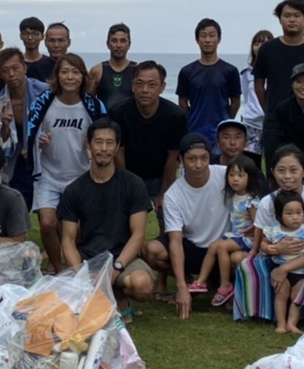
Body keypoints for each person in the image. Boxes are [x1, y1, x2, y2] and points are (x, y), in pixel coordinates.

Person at [57, 119, 155, 317]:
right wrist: (81, 275)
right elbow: (67, 239)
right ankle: (103, 298)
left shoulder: (133, 184)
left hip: (123, 259)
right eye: (98, 142)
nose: (103, 148)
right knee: (60, 298)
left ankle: (117, 294)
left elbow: (138, 234)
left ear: (117, 146)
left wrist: (116, 269)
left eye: (109, 143)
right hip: (89, 260)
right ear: (88, 145)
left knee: (142, 286)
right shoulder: (74, 190)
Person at [233, 145, 304, 326]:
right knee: (247, 265)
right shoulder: (267, 202)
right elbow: (261, 242)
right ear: (273, 172)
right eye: (281, 171)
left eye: (293, 170)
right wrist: (272, 249)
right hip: (276, 258)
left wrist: (285, 269)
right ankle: (265, 312)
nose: (287, 176)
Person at [26, 52, 107, 271]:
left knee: (78, 231)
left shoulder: (94, 106)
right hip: (49, 175)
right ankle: (58, 268)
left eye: (75, 72)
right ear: (57, 76)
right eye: (64, 72)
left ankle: (77, 267)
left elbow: (105, 138)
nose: (70, 77)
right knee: (47, 223)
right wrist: (38, 142)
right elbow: (30, 134)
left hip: (81, 176)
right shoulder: (43, 103)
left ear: (83, 76)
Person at [142, 134, 228, 318]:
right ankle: (191, 284)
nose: (198, 165)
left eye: (203, 158)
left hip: (223, 249)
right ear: (180, 160)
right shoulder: (173, 194)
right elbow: (175, 241)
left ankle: (224, 284)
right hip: (194, 249)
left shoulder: (226, 175)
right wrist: (181, 287)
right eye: (192, 159)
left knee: (238, 255)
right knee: (152, 250)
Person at [110, 60, 187, 219]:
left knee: (167, 216)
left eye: (152, 85)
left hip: (160, 177)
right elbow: (119, 152)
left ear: (162, 87)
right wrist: (125, 188)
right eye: (140, 84)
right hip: (129, 175)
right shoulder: (118, 112)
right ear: (132, 86)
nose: (145, 90)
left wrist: (165, 193)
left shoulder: (175, 115)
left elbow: (173, 157)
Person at [202, 154, 267, 307]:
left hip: (247, 239)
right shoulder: (232, 196)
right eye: (231, 175)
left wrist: (255, 249)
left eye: (240, 175)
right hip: (236, 235)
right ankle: (201, 281)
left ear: (249, 178)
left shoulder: (251, 201)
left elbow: (259, 225)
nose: (235, 179)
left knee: (222, 247)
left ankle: (225, 285)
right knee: (213, 246)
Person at [253, 0, 304, 116]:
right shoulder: (267, 49)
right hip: (275, 121)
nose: (292, 20)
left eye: (297, 15)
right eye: (287, 15)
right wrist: (268, 110)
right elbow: (258, 84)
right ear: (280, 19)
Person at [0, 46, 49, 206]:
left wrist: (34, 145)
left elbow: (56, 123)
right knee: (19, 204)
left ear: (24, 68)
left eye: (15, 68)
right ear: (0, 74)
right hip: (18, 160)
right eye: (5, 71)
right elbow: (0, 142)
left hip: (46, 155)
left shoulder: (44, 93)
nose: (11, 75)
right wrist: (5, 125)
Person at [176, 18, 242, 147]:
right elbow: (182, 103)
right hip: (194, 130)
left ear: (219, 39)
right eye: (203, 36)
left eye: (212, 36)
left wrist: (226, 121)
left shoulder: (230, 71)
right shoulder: (186, 71)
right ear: (197, 40)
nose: (208, 40)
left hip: (221, 133)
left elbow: (235, 102)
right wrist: (192, 119)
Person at [260, 189, 304, 334]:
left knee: (296, 298)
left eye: (299, 212)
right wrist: (269, 248)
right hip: (280, 270)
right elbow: (263, 243)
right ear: (279, 216)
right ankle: (281, 323)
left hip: (302, 271)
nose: (295, 217)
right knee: (282, 294)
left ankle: (292, 323)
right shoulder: (275, 231)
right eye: (289, 213)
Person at [239, 29, 274, 164]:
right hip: (251, 124)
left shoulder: (277, 70)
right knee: (251, 164)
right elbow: (247, 96)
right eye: (257, 42)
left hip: (271, 123)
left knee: (273, 162)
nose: (260, 46)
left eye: (265, 42)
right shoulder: (246, 72)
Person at [87, 22, 137, 113]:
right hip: (104, 123)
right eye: (114, 40)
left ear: (129, 44)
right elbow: (88, 103)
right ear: (107, 44)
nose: (118, 45)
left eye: (123, 41)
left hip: (130, 124)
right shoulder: (97, 71)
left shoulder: (137, 70)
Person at [19, 16, 51, 82]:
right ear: (21, 36)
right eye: (26, 33)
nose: (30, 38)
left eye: (35, 34)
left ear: (42, 36)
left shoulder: (51, 64)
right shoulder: (17, 63)